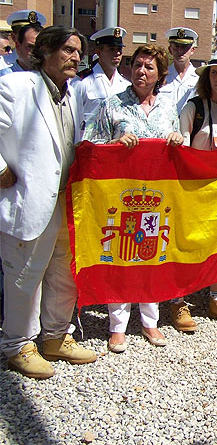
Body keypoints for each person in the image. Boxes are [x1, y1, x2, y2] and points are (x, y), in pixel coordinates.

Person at [0, 25, 96, 379]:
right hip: (27, 200)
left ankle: (56, 336)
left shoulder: (70, 95)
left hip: (62, 202)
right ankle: (18, 345)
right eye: (69, 50)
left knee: (63, 273)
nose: (75, 57)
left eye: (78, 52)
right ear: (45, 52)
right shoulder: (15, 87)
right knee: (25, 276)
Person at [84, 44, 184, 352]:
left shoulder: (168, 108)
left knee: (152, 254)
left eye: (149, 67)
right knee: (121, 253)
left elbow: (179, 144)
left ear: (160, 74)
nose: (142, 71)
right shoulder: (113, 104)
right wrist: (114, 143)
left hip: (156, 195)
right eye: (138, 65)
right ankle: (118, 325)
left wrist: (179, 140)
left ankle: (150, 321)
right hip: (122, 195)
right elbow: (89, 143)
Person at [169, 50, 217, 331]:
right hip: (191, 190)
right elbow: (180, 148)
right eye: (214, 73)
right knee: (185, 244)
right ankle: (178, 301)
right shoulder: (193, 108)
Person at [74, 27, 130, 130]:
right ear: (99, 52)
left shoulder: (126, 85)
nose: (117, 53)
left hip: (117, 142)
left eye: (119, 49)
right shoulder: (82, 82)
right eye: (112, 49)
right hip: (90, 142)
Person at [160, 27, 199, 113]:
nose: (180, 51)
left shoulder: (200, 78)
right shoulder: (161, 76)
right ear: (170, 50)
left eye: (185, 47)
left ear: (192, 50)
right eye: (176, 47)